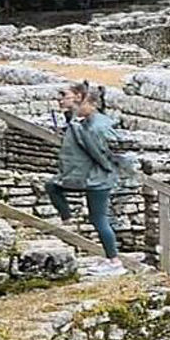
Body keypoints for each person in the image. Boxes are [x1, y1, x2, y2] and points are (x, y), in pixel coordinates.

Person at [45, 81, 126, 276]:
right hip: (91, 177)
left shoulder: (94, 127)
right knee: (52, 187)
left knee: (99, 219)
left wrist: (110, 171)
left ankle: (114, 262)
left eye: (65, 96)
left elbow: (100, 154)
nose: (60, 100)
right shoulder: (83, 121)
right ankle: (68, 220)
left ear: (82, 100)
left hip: (97, 179)